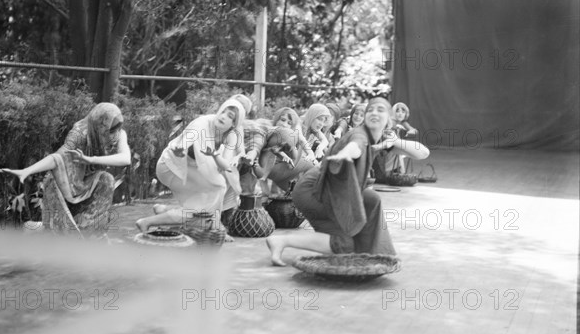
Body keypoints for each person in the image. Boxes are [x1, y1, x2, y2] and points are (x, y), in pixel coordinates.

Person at [265, 96, 430, 266]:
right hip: (314, 191)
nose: (374, 112)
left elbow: (422, 153)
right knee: (344, 244)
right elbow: (356, 146)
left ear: (389, 118)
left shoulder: (380, 138)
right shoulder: (360, 134)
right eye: (370, 110)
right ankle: (282, 241)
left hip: (332, 189)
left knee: (371, 200)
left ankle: (370, 250)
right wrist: (347, 154)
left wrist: (395, 141)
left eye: (380, 110)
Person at [0, 103, 131, 236]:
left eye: (118, 130)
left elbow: (126, 158)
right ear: (99, 126)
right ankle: (40, 228)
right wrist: (27, 170)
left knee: (107, 180)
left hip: (89, 185)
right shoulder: (80, 133)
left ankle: (91, 232)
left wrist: (90, 159)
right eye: (111, 131)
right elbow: (58, 157)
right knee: (59, 230)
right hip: (65, 183)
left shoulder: (120, 134)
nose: (115, 135)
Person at [135, 98, 245, 233]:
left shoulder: (232, 135)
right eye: (223, 111)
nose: (223, 117)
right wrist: (181, 149)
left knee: (211, 194)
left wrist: (215, 154)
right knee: (209, 197)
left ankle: (163, 211)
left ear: (234, 124)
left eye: (230, 116)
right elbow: (184, 144)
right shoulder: (202, 124)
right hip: (171, 167)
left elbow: (225, 166)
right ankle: (147, 222)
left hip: (192, 169)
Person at [392, 102, 418, 173]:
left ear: (406, 114)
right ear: (393, 112)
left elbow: (414, 130)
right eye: (397, 111)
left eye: (403, 112)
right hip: (387, 146)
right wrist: (395, 127)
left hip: (397, 146)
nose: (400, 114)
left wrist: (411, 131)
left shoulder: (403, 123)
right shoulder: (391, 121)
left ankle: (400, 172)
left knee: (400, 152)